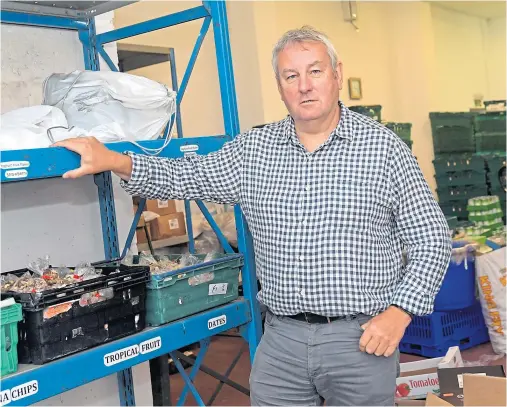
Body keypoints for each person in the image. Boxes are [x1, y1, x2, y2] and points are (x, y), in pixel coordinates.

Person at [54, 26, 452, 406]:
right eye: (290, 76)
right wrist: (115, 161)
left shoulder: (383, 149)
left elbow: (432, 238)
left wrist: (400, 313)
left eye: (315, 71)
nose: (305, 85)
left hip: (360, 339)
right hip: (282, 339)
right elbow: (188, 175)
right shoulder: (254, 150)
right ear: (280, 88)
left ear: (337, 75)